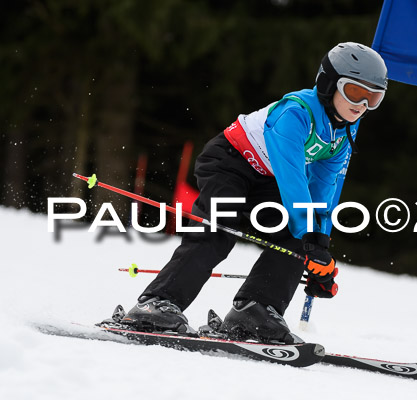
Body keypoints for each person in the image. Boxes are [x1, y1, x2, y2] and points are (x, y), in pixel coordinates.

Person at [121, 42, 388, 344]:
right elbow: (293, 180)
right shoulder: (295, 113)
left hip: (266, 179)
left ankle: (256, 310)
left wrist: (319, 249)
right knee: (219, 231)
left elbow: (322, 193)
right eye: (355, 92)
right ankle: (156, 303)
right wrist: (311, 237)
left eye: (374, 97)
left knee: (296, 235)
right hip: (231, 162)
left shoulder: (343, 135)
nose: (362, 104)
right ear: (328, 83)